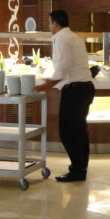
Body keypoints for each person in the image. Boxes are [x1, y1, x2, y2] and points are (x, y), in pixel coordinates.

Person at [35, 10, 95, 182]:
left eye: (49, 23)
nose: (49, 26)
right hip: (85, 87)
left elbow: (63, 66)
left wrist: (48, 85)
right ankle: (81, 166)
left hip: (75, 90)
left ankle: (78, 170)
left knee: (67, 131)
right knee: (79, 130)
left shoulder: (61, 38)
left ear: (55, 23)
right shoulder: (74, 37)